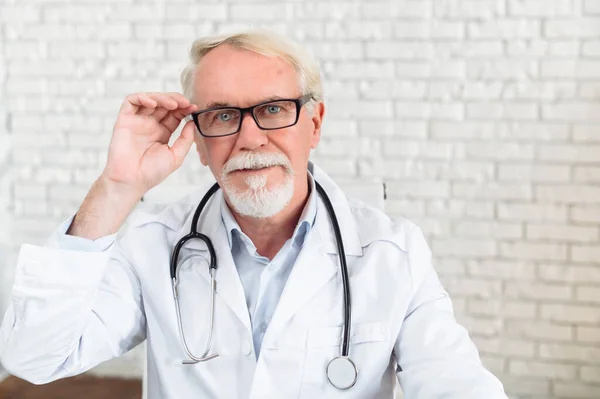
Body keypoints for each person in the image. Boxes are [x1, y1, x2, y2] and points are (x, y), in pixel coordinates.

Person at [0, 31, 507, 398]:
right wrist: (116, 188)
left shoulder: (393, 252)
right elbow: (35, 358)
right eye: (221, 116)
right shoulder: (153, 243)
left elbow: (457, 385)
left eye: (272, 109)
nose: (248, 138)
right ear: (197, 140)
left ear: (315, 122)